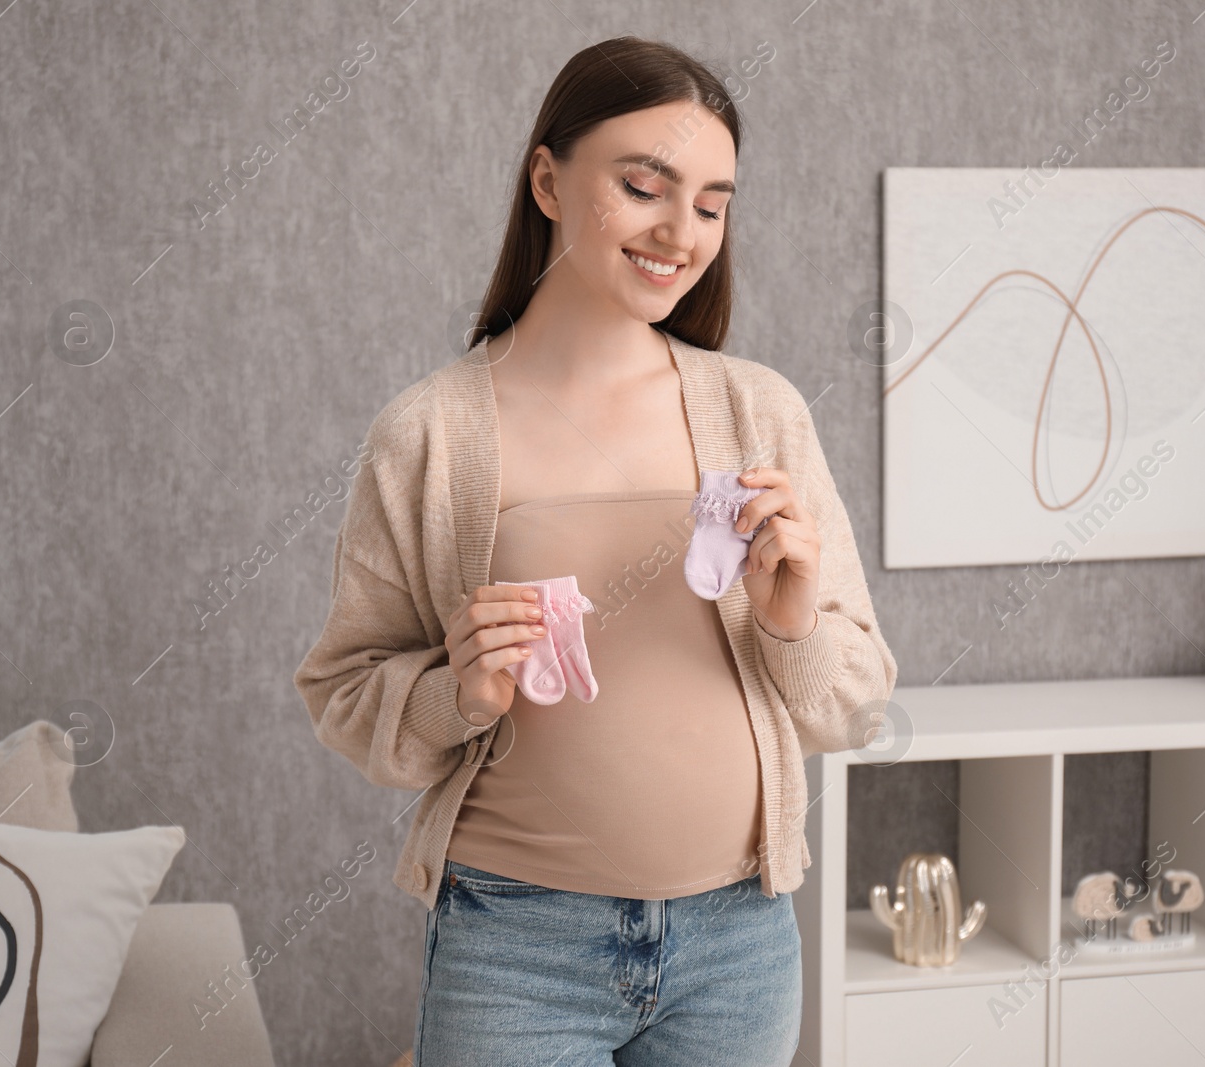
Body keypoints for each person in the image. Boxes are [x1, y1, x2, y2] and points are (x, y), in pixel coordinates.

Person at [293, 35, 897, 1067]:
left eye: (711, 203)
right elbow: (346, 692)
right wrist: (460, 692)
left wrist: (790, 623)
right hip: (516, 949)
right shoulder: (429, 432)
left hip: (738, 943)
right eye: (643, 187)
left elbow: (859, 700)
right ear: (548, 180)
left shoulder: (761, 411)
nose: (680, 231)